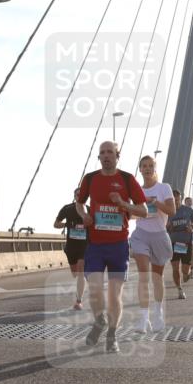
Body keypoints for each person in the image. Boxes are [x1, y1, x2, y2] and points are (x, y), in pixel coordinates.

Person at [76, 141, 148, 352]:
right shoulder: (90, 179)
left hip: (118, 246)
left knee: (114, 294)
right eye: (102, 153)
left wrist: (123, 204)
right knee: (95, 289)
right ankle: (100, 321)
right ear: (99, 157)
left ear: (118, 156)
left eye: (110, 152)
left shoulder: (127, 179)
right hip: (95, 245)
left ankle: (112, 335)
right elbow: (79, 203)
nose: (106, 155)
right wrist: (84, 215)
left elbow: (143, 211)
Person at [129, 155, 175, 332]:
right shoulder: (136, 191)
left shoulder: (164, 188)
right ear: (140, 169)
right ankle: (143, 319)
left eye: (150, 166)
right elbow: (132, 215)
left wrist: (155, 202)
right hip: (141, 234)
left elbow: (171, 210)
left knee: (157, 277)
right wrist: (134, 210)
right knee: (143, 276)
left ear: (155, 169)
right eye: (144, 166)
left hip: (159, 236)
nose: (147, 169)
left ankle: (158, 314)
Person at [54, 188, 88, 310]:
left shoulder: (90, 210)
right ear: (74, 196)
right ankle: (81, 284)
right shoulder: (67, 209)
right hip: (71, 246)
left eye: (82, 194)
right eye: (78, 194)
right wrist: (66, 224)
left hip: (84, 245)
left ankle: (79, 301)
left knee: (81, 272)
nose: (80, 196)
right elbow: (56, 224)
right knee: (75, 274)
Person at [167, 190, 193, 299]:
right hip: (173, 242)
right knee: (175, 268)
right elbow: (162, 225)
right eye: (173, 200)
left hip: (185, 243)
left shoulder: (188, 210)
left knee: (185, 271)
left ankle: (187, 274)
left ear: (180, 199)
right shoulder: (168, 211)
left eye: (177, 200)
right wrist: (167, 227)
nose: (176, 202)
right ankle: (179, 290)